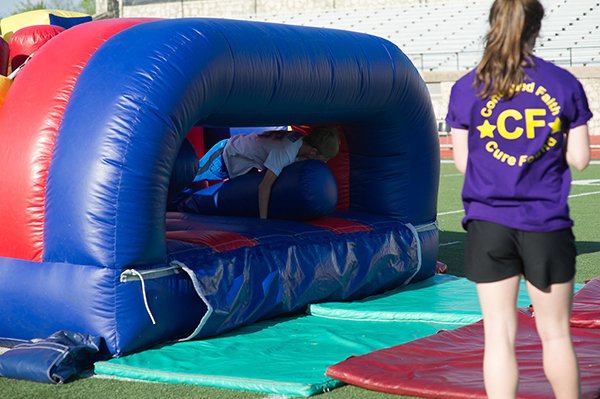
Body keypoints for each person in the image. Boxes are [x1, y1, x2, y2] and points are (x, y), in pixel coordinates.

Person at [445, 0, 592, 398]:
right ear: (536, 28)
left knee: (498, 335)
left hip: (489, 224)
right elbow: (580, 159)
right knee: (557, 334)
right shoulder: (563, 83)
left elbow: (461, 162)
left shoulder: (465, 87)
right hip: (546, 223)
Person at [193, 126, 340, 219]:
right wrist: (264, 219)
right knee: (189, 176)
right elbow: (264, 186)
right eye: (324, 159)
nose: (325, 163)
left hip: (240, 164)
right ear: (314, 151)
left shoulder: (298, 140)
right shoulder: (285, 151)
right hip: (224, 155)